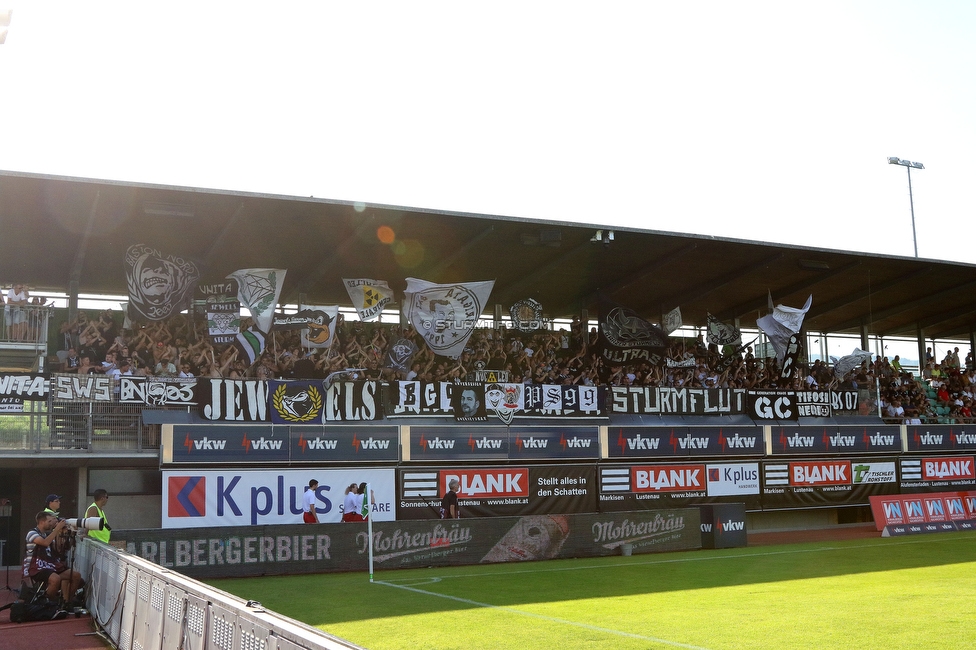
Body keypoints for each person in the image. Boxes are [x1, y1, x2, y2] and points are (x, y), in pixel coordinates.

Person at [25, 511, 82, 603]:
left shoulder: (47, 535)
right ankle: (45, 603)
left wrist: (67, 534)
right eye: (49, 521)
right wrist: (57, 529)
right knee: (55, 579)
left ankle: (67, 602)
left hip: (48, 566)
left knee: (76, 576)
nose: (52, 523)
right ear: (42, 522)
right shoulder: (32, 533)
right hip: (36, 568)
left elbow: (60, 550)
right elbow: (45, 543)